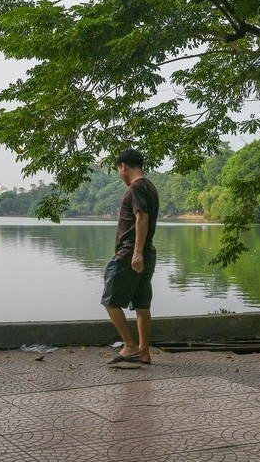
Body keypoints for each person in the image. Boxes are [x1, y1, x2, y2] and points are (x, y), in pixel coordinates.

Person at [102, 148, 159, 366]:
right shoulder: (150, 186)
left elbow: (141, 218)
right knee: (142, 304)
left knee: (109, 300)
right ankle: (144, 352)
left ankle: (130, 346)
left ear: (123, 166)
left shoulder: (136, 187)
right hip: (148, 251)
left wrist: (136, 252)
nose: (120, 174)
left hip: (130, 252)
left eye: (119, 169)